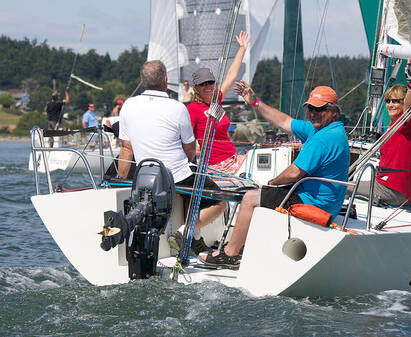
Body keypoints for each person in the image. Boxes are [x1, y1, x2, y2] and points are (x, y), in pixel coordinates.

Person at [201, 83, 350, 269]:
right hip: (321, 199)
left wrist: (272, 183)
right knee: (263, 194)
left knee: (250, 197)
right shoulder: (325, 129)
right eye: (310, 108)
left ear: (333, 111)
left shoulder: (323, 138)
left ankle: (230, 254)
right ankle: (244, 245)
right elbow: (283, 121)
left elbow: (294, 173)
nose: (313, 113)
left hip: (313, 203)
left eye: (319, 109)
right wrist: (254, 102)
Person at [117, 60, 227, 256]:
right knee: (220, 201)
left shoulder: (128, 105)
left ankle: (193, 239)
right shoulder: (177, 108)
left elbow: (126, 149)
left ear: (142, 81)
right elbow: (190, 148)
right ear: (165, 80)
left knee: (191, 191)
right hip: (176, 176)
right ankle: (185, 232)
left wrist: (122, 184)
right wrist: (189, 163)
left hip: (145, 175)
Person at [187, 31, 250, 173]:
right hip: (216, 166)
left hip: (233, 158)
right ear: (196, 88)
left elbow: (231, 76)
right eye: (203, 84)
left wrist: (242, 49)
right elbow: (186, 141)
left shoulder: (216, 100)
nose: (208, 86)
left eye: (210, 82)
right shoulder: (192, 109)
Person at [374, 60, 411, 206]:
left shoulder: (407, 124)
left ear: (403, 102)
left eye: (396, 101)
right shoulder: (393, 125)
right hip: (388, 186)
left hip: (394, 191)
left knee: (341, 186)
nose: (390, 105)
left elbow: (409, 109)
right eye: (388, 101)